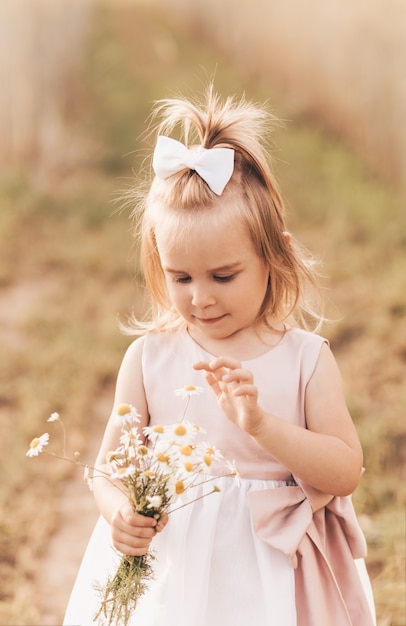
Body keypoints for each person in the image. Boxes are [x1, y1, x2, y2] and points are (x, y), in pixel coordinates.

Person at [63, 87, 376, 626]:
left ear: (274, 257)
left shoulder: (306, 360)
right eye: (179, 277)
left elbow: (345, 470)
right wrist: (120, 515)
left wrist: (261, 425)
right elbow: (107, 471)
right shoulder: (148, 359)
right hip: (175, 573)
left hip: (279, 575)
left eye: (223, 276)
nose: (199, 297)